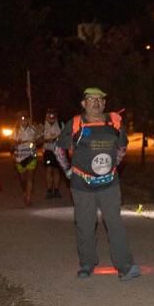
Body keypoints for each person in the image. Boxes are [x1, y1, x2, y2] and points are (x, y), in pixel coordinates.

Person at [53, 88, 139, 281]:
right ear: (83, 104)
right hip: (82, 183)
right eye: (91, 100)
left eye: (100, 100)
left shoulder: (114, 122)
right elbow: (59, 149)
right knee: (85, 224)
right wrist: (68, 171)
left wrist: (114, 165)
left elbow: (122, 146)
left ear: (104, 104)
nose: (96, 103)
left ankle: (126, 266)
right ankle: (87, 264)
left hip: (109, 183)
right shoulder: (76, 123)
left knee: (114, 223)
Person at [12, 113, 39, 207]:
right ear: (19, 121)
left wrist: (35, 141)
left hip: (31, 156)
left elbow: (39, 139)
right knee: (23, 179)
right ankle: (26, 190)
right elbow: (11, 145)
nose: (24, 122)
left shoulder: (33, 129)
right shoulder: (15, 131)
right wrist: (17, 143)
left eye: (25, 119)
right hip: (20, 157)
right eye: (21, 120)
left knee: (30, 178)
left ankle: (28, 198)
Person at [42, 108, 64, 199]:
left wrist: (57, 139)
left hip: (58, 151)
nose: (51, 117)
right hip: (48, 151)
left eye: (53, 115)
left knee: (57, 170)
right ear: (46, 116)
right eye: (49, 115)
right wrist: (47, 140)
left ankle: (57, 190)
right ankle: (49, 190)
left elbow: (66, 136)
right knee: (48, 170)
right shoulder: (42, 125)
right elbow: (37, 139)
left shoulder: (60, 124)